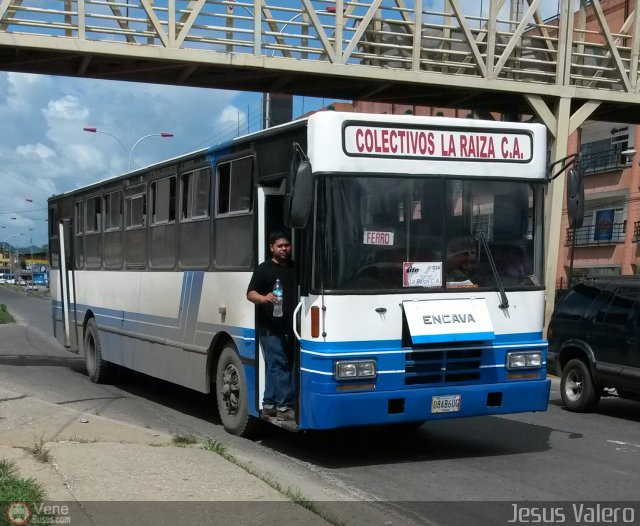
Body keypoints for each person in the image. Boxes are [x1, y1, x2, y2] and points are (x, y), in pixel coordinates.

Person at [246, 230, 296, 421]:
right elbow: (250, 294)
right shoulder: (263, 269)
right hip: (268, 326)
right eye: (280, 246)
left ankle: (268, 406)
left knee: (276, 366)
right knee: (279, 364)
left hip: (290, 325)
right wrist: (264, 297)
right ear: (271, 248)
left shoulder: (293, 267)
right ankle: (284, 408)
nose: (284, 249)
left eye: (287, 245)